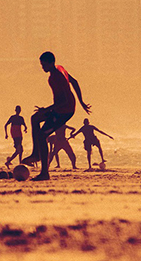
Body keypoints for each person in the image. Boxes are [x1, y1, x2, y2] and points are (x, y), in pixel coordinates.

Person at [21, 51, 91, 181]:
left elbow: (63, 101)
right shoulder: (60, 68)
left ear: (51, 63)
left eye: (44, 64)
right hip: (63, 107)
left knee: (42, 135)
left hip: (64, 110)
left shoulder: (55, 77)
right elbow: (74, 82)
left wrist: (46, 110)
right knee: (34, 118)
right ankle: (36, 154)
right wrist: (81, 102)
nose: (42, 67)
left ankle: (44, 173)